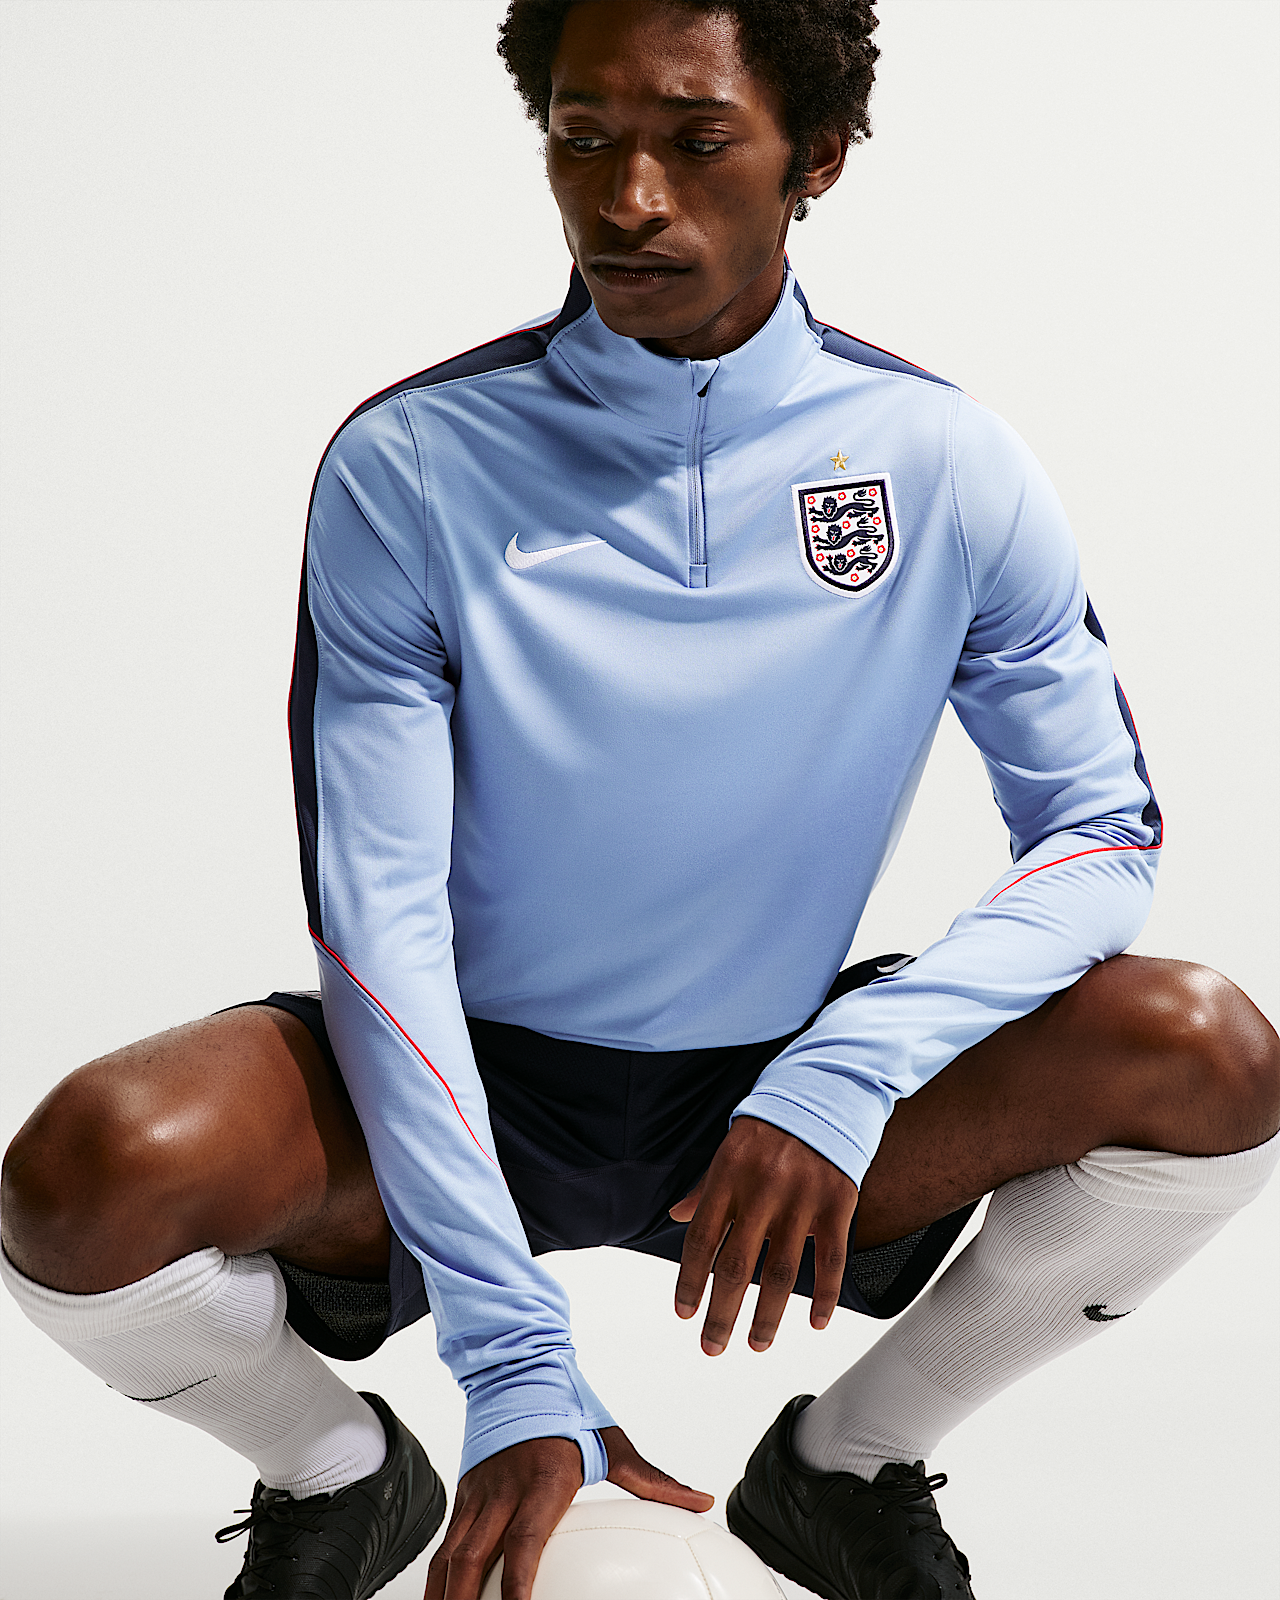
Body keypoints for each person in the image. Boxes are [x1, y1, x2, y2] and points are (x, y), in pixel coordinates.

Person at [3, 3, 1277, 1598]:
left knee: (1207, 1054)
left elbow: (1100, 832)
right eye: (584, 137)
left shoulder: (944, 463)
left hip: (777, 1083)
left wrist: (847, 1072)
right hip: (461, 1076)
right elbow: (379, 916)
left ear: (816, 156)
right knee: (88, 1171)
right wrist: (511, 1358)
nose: (629, 199)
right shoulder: (414, 463)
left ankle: (846, 1469)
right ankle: (338, 1478)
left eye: (697, 140)